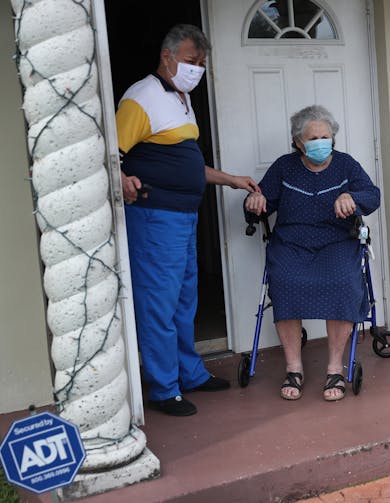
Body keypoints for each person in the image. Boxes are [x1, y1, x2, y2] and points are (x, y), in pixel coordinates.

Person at [117, 24, 259, 417]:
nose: (197, 69)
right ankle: (164, 388)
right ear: (167, 57)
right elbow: (110, 154)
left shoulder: (180, 98)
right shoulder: (141, 98)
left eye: (202, 63)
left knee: (184, 300)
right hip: (154, 218)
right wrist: (122, 177)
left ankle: (190, 373)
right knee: (158, 304)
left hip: (183, 216)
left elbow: (187, 164)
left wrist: (229, 179)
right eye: (192, 62)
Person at [244, 105, 380, 402]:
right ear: (297, 142)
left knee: (343, 281)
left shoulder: (346, 165)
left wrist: (351, 197)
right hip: (292, 243)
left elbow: (373, 195)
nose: (321, 142)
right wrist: (254, 200)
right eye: (312, 137)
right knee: (285, 282)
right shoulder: (284, 166)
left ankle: (334, 367)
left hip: (337, 241)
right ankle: (294, 368)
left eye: (325, 136)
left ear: (333, 138)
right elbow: (262, 200)